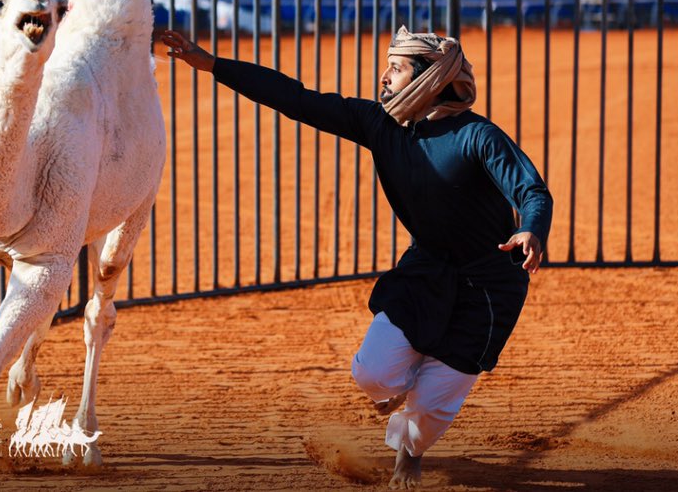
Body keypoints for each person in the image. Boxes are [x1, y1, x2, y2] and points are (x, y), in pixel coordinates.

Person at [160, 25, 552, 489]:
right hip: (427, 267)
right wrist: (212, 64)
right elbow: (296, 98)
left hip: (489, 283)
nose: (384, 76)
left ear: (428, 79)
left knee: (430, 407)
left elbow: (531, 188)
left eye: (396, 68)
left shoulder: (477, 136)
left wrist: (531, 227)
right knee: (372, 374)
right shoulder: (380, 125)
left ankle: (408, 451)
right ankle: (405, 396)